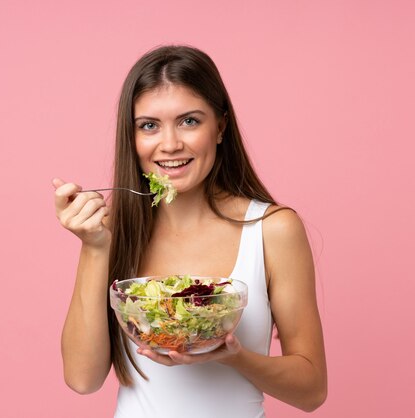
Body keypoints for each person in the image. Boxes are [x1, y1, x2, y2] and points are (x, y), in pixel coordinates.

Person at [52, 45, 327, 417]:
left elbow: (311, 391)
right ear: (131, 138)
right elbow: (83, 379)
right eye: (149, 126)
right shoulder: (112, 229)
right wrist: (94, 247)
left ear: (220, 127)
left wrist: (234, 357)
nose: (169, 145)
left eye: (189, 121)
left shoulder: (271, 229)